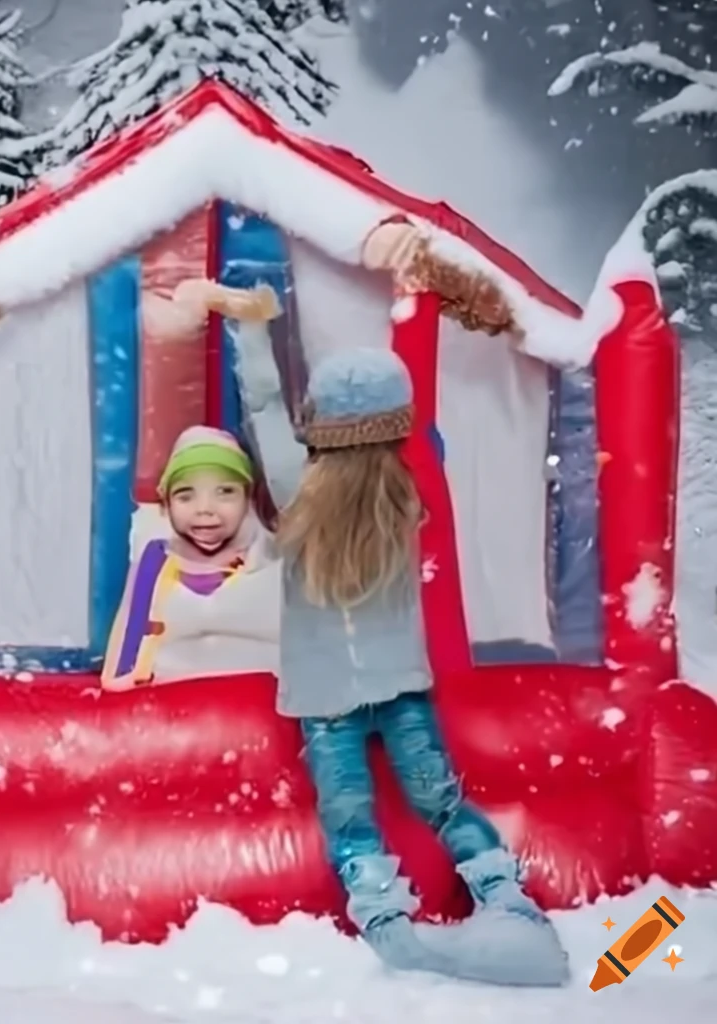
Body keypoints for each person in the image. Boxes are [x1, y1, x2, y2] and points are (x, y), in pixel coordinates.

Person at [226, 293, 569, 984]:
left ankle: (385, 916)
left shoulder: (301, 489)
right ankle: (503, 893)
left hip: (326, 700)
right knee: (441, 801)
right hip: (402, 688)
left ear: (319, 432)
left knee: (350, 817)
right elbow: (407, 430)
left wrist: (252, 326)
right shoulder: (407, 491)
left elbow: (264, 407)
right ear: (393, 433)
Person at [101, 426, 280, 690]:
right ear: (166, 504)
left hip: (259, 710)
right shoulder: (156, 562)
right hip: (176, 712)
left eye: (225, 492)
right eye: (186, 496)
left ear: (248, 498)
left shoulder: (271, 558)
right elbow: (120, 665)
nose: (205, 509)